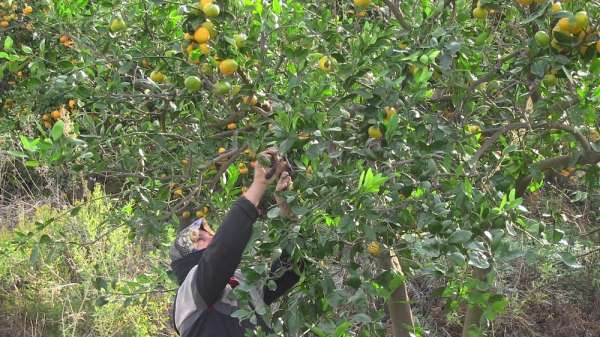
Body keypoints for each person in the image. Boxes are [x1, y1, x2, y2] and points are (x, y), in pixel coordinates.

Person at [170, 148, 300, 337]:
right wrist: (258, 185)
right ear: (186, 260)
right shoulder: (190, 295)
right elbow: (221, 253)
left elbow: (294, 266)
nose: (212, 237)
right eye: (199, 239)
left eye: (209, 233)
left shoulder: (240, 283)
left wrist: (286, 208)